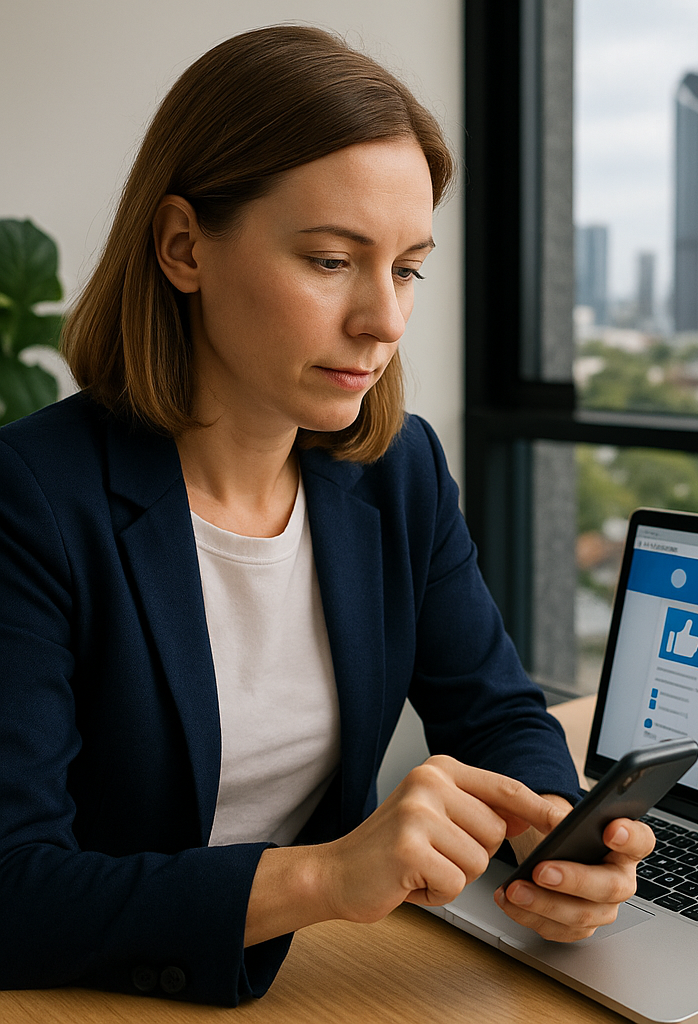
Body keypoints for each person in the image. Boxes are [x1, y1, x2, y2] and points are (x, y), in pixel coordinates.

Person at [0, 26, 653, 1007]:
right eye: (331, 260)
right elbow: (14, 890)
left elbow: (494, 709)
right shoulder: (31, 498)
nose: (384, 321)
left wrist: (556, 833)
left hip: (315, 981)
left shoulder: (400, 474)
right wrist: (328, 876)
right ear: (184, 247)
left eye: (405, 268)